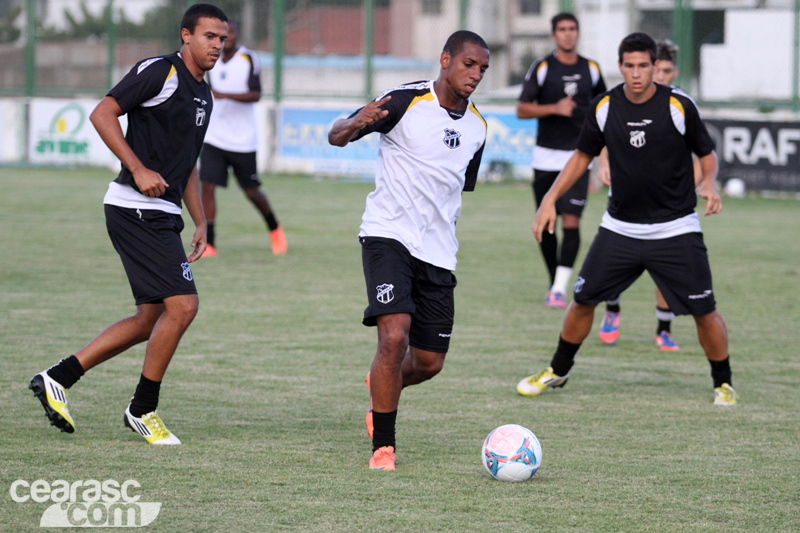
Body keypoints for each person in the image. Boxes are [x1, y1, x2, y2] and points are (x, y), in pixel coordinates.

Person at [28, 4, 228, 444]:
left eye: (222, 39)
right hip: (134, 208)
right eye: (209, 36)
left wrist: (201, 220)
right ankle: (143, 408)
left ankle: (56, 378)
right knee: (184, 306)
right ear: (186, 35)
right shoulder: (161, 71)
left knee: (149, 318)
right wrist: (136, 168)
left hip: (162, 214)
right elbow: (102, 113)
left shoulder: (204, 94)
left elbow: (188, 164)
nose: (217, 45)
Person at [515, 32, 738, 406]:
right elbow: (581, 158)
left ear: (654, 67)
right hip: (620, 228)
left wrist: (710, 185)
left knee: (704, 310)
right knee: (582, 300)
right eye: (629, 66)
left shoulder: (679, 105)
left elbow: (707, 154)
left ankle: (723, 384)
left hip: (676, 227)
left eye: (643, 66)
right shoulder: (604, 106)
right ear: (620, 67)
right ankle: (558, 370)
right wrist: (549, 199)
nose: (636, 74)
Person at [328, 31, 490, 470]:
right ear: (445, 60)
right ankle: (384, 446)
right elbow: (337, 135)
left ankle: (379, 383)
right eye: (468, 64)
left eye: (482, 69)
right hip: (388, 235)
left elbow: (457, 188)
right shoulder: (404, 101)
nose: (475, 75)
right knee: (393, 337)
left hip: (438, 252)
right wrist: (353, 124)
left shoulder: (478, 127)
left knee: (430, 363)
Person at [596, 40, 702, 350]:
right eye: (658, 70)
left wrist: (688, 191)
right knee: (610, 268)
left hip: (669, 210)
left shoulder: (681, 103)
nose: (661, 76)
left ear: (673, 71)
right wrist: (603, 164)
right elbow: (604, 136)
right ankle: (612, 312)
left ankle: (663, 329)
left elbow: (699, 154)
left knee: (663, 271)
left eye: (667, 71)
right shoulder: (625, 99)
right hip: (626, 203)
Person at [517, 12, 606, 309]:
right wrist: (554, 108)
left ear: (578, 34)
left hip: (578, 158)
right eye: (562, 30)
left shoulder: (591, 69)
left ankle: (558, 288)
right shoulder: (542, 68)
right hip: (545, 158)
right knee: (546, 224)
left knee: (571, 221)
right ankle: (554, 279)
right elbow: (522, 109)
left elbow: (606, 109)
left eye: (572, 29)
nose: (568, 34)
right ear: (554, 35)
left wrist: (604, 153)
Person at [200, 20, 287, 258]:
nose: (224, 39)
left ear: (235, 35)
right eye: (218, 35)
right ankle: (209, 243)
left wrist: (224, 95)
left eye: (228, 34)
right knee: (207, 186)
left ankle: (274, 228)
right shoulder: (210, 58)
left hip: (242, 139)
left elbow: (256, 94)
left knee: (251, 191)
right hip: (214, 136)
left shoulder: (248, 58)